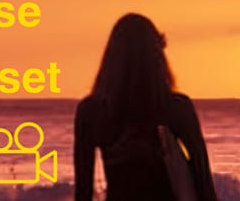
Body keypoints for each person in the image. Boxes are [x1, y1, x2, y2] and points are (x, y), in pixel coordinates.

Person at [74, 13, 218, 201]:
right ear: (157, 56)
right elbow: (203, 182)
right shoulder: (176, 108)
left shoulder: (92, 111)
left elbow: (83, 191)